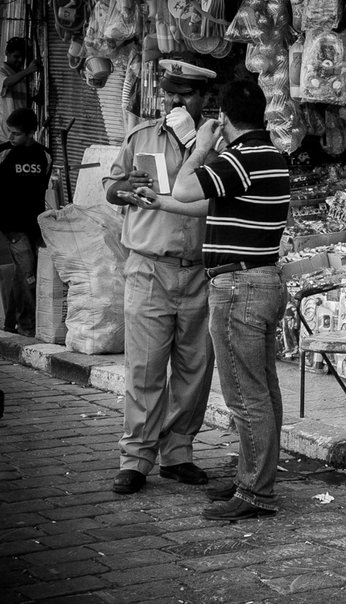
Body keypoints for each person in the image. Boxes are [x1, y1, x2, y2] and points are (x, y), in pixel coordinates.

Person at [166, 78, 290, 521]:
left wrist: (201, 145)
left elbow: (185, 188)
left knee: (244, 394)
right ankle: (254, 478)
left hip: (237, 289)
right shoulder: (273, 157)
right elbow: (206, 204)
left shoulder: (238, 159)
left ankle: (256, 493)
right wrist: (155, 203)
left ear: (225, 118)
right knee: (264, 390)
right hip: (263, 282)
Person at [102, 59, 217, 495]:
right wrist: (123, 186)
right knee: (144, 370)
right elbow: (112, 189)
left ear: (203, 99)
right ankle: (135, 459)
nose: (175, 101)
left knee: (194, 369)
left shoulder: (218, 145)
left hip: (200, 273)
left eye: (185, 94)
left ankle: (179, 454)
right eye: (170, 93)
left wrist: (197, 146)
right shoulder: (140, 137)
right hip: (149, 268)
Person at [0, 108, 52, 337]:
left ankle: (10, 323)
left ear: (32, 133)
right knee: (28, 273)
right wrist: (9, 195)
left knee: (24, 274)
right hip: (12, 225)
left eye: (16, 134)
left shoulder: (45, 155)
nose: (10, 138)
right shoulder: (0, 154)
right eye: (9, 132)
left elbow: (43, 185)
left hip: (35, 224)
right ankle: (27, 327)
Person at [0, 37, 40, 149]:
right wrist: (27, 71)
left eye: (22, 57)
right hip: (4, 137)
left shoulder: (19, 76)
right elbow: (7, 82)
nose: (20, 60)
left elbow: (20, 101)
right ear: (7, 53)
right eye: (16, 56)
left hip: (21, 136)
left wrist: (34, 98)